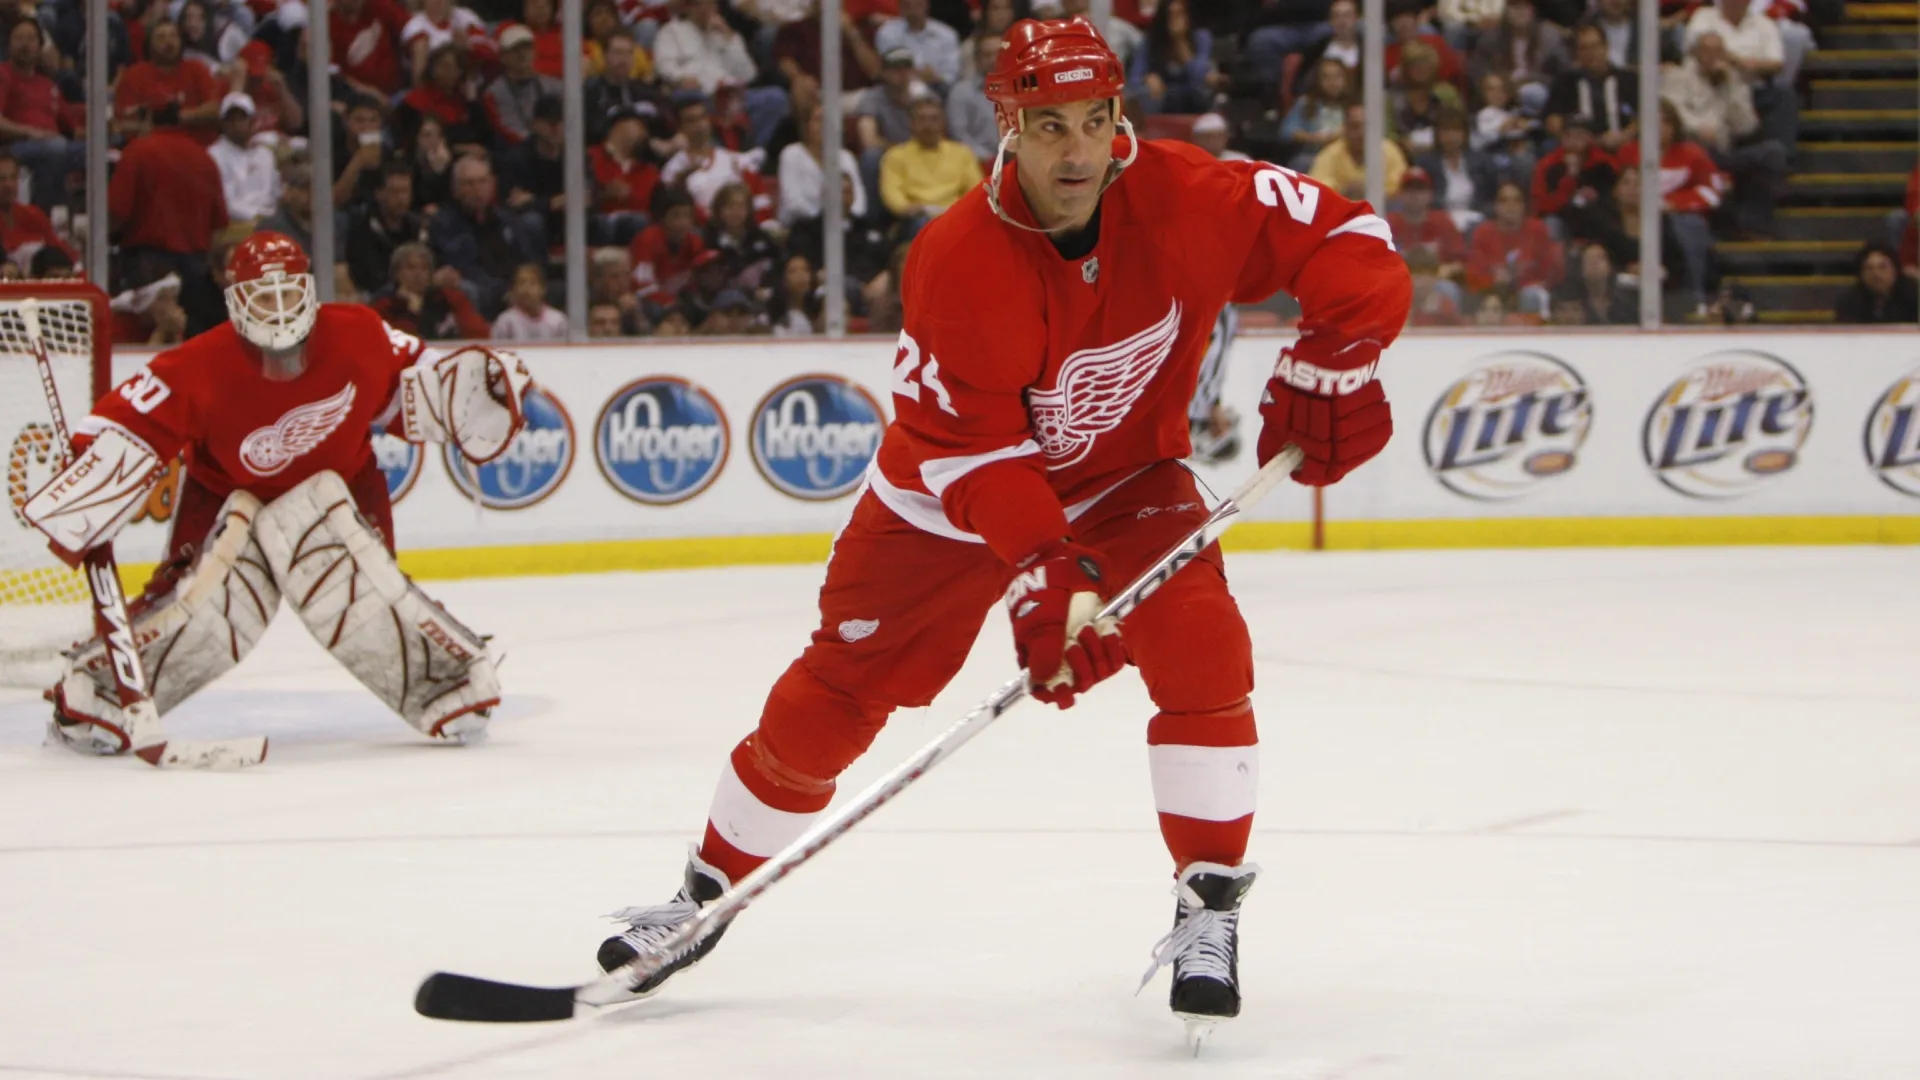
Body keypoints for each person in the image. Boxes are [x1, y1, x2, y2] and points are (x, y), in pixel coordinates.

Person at [588, 15, 1408, 1041]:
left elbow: (1351, 240)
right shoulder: (959, 259)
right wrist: (1045, 574)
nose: (1077, 151)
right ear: (1008, 129)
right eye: (1049, 125)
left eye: (1094, 120)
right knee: (839, 692)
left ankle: (1209, 907)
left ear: (1120, 116)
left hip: (1124, 478)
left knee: (1205, 649)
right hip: (946, 498)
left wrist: (1337, 358)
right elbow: (977, 453)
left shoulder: (1191, 195)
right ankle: (703, 895)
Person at [22, 231, 529, 759]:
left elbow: (414, 385)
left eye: (290, 293)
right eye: (265, 297)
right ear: (235, 302)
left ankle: (448, 684)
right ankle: (99, 696)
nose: (281, 310)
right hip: (225, 493)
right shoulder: (200, 364)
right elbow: (127, 416)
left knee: (367, 590)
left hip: (345, 483)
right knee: (194, 604)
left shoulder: (358, 332)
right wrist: (89, 460)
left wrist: (467, 395)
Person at [1662, 30, 1786, 237]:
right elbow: (1671, 112)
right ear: (1696, 54)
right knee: (1705, 154)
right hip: (1693, 151)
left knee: (1773, 152)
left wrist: (1729, 86)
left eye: (1718, 51)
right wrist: (1698, 127)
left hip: (1725, 151)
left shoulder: (1733, 79)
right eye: (1707, 51)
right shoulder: (1678, 77)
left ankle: (1752, 224)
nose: (1713, 57)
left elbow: (1746, 127)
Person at [0, 20, 86, 211]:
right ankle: (42, 216)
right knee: (55, 147)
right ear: (9, 45)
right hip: (14, 146)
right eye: (19, 38)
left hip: (56, 144)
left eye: (31, 38)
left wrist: (103, 134)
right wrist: (32, 133)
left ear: (40, 47)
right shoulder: (3, 74)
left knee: (102, 153)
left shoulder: (47, 84)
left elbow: (72, 128)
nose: (25, 44)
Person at [879, 96, 984, 238]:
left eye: (934, 119)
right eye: (921, 119)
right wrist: (910, 209)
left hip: (955, 214)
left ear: (943, 123)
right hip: (917, 216)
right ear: (911, 123)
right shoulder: (895, 156)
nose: (928, 125)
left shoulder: (962, 153)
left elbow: (976, 191)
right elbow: (893, 196)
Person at [1465, 180, 1563, 313]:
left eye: (1517, 201)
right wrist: (1493, 280)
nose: (1510, 206)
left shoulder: (1538, 230)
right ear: (1495, 206)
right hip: (1492, 295)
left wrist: (1526, 284)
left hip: (1529, 293)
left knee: (1532, 295)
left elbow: (1548, 274)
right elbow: (1473, 275)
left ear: (1524, 206)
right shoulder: (1483, 233)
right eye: (1504, 201)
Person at [370, 240, 492, 339]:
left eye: (424, 268)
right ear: (397, 273)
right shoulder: (384, 306)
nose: (418, 274)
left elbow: (479, 334)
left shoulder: (451, 299)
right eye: (411, 268)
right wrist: (413, 314)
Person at [1545, 22, 1636, 152]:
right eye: (1584, 48)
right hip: (1580, 150)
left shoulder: (1629, 79)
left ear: (1606, 47)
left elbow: (1643, 116)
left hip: (1625, 146)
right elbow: (1553, 120)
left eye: (1595, 46)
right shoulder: (1565, 82)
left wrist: (1625, 136)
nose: (1591, 53)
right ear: (1576, 53)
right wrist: (1573, 138)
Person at [347, 162, 429, 295]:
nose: (401, 198)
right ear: (379, 194)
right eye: (395, 192)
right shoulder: (362, 226)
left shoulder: (416, 226)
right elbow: (368, 275)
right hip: (375, 293)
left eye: (405, 191)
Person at [1126, 0, 1217, 116]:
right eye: (1171, 15)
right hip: (1163, 97)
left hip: (1194, 97)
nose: (1175, 21)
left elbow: (1200, 77)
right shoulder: (1151, 40)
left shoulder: (1202, 38)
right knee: (1145, 95)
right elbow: (1134, 78)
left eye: (1179, 14)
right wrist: (1146, 78)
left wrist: (1180, 42)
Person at [483, 24, 564, 146]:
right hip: (516, 150)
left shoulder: (554, 86)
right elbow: (509, 130)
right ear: (502, 57)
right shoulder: (494, 93)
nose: (522, 54)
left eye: (527, 48)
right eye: (515, 50)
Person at [1311, 102, 1408, 201]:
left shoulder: (1389, 150)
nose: (1361, 132)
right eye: (1354, 126)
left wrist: (1370, 191)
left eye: (1366, 127)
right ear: (1345, 129)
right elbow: (1317, 185)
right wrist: (1343, 190)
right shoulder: (1330, 153)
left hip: (1382, 206)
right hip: (1342, 206)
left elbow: (1400, 183)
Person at [206, 93, 279, 224]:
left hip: (270, 220)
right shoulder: (214, 155)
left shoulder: (265, 154)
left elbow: (274, 193)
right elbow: (226, 203)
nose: (236, 124)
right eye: (231, 119)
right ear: (222, 123)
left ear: (252, 121)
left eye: (242, 118)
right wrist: (259, 216)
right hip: (236, 224)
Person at [1281, 57, 1351, 172]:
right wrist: (1313, 138)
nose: (1332, 82)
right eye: (1326, 77)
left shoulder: (1353, 105)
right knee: (1301, 163)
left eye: (1337, 76)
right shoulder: (1306, 103)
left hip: (1345, 157)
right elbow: (1286, 131)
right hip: (1314, 155)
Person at [876, 0, 963, 92]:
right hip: (900, 89)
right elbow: (889, 70)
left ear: (926, 4)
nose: (913, 10)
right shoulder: (888, 32)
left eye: (918, 4)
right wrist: (920, 75)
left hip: (939, 89)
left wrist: (935, 77)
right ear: (900, 7)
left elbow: (951, 74)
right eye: (907, 5)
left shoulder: (947, 34)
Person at [1833, 242, 1919, 324]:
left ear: (1895, 270)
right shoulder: (1849, 303)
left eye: (1882, 267)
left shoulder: (1914, 298)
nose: (1876, 274)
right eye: (1869, 268)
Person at [490, 262, 568, 340]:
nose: (526, 289)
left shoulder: (558, 321)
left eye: (532, 283)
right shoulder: (505, 322)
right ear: (514, 289)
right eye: (521, 283)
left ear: (543, 288)